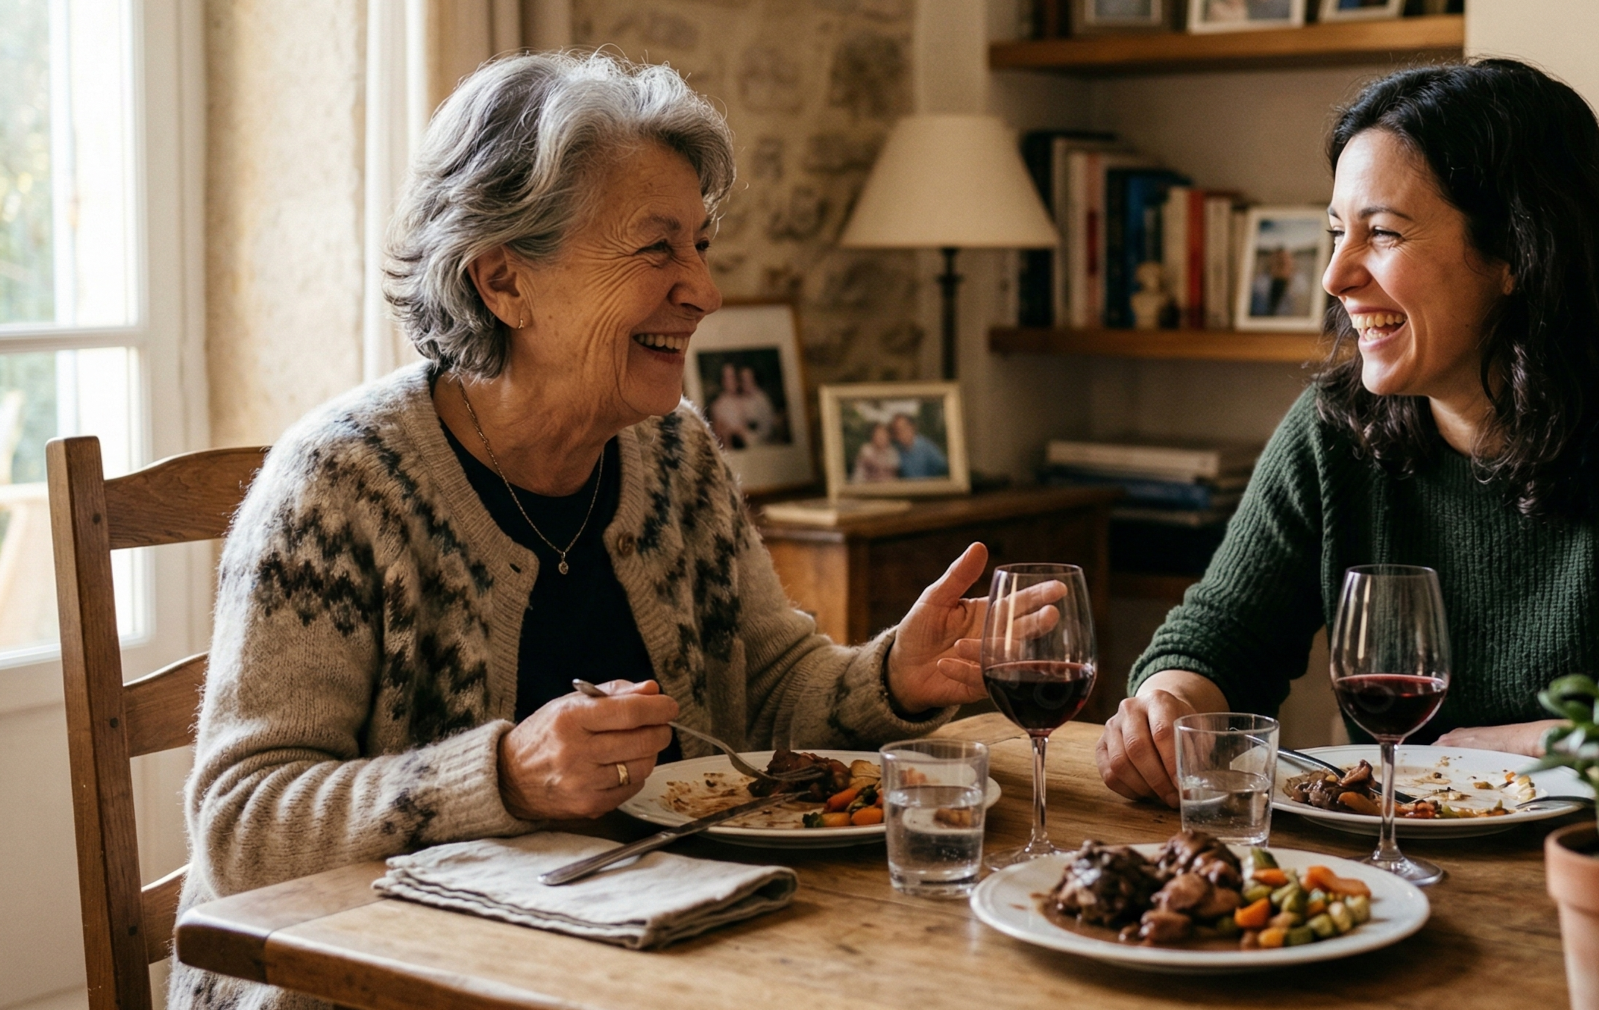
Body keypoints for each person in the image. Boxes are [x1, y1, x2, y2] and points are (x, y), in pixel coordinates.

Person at [173, 53, 991, 1010]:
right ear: (502, 282)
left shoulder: (676, 458)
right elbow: (239, 823)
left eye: (699, 245)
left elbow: (767, 698)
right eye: (656, 249)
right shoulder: (342, 486)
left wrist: (892, 677)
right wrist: (505, 778)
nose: (704, 291)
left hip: (631, 960)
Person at [1098, 58, 1599, 809]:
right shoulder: (1335, 429)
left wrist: (1560, 746)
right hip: (1396, 874)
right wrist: (1166, 704)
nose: (1334, 276)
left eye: (1383, 234)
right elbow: (1218, 638)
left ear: (1516, 254)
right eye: (1336, 231)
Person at [891, 412, 949, 478]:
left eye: (904, 428)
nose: (901, 433)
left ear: (913, 427)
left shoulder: (927, 447)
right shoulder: (897, 450)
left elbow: (944, 468)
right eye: (897, 430)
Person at [708, 360, 750, 448]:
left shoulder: (748, 400)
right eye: (726, 378)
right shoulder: (718, 405)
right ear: (722, 380)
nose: (729, 381)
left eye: (732, 377)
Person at [736, 364, 779, 444]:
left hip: (763, 440)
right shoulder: (740, 398)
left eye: (748, 378)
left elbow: (768, 427)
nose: (746, 382)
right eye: (743, 379)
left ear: (754, 379)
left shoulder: (762, 399)